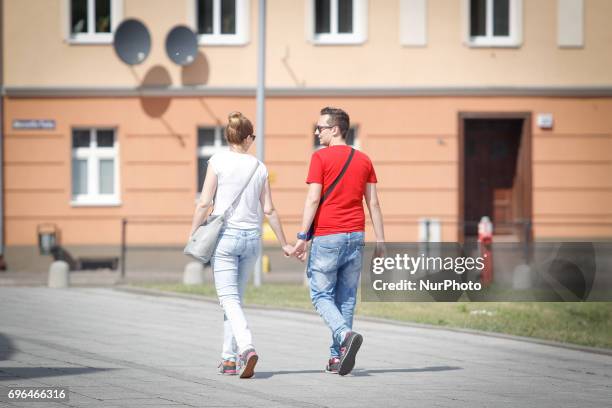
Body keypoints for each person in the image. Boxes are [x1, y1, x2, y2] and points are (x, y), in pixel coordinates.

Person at [189, 112, 293, 379]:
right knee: (235, 300)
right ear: (246, 138)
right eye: (253, 137)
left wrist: (193, 233)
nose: (253, 141)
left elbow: (204, 202)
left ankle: (246, 348)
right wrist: (284, 243)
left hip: (225, 238)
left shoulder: (217, 161)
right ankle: (228, 359)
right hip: (251, 240)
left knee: (228, 299)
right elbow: (269, 209)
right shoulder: (259, 166)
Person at [293, 107, 386, 376]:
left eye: (320, 127)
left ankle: (345, 335)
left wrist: (301, 236)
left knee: (321, 294)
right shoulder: (365, 160)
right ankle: (337, 357)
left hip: (328, 236)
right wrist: (381, 240)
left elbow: (313, 198)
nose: (316, 132)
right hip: (356, 236)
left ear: (335, 129)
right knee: (345, 298)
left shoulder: (320, 158)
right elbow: (374, 203)